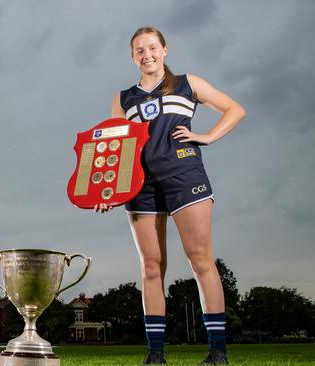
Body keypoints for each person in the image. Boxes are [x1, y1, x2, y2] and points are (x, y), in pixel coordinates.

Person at [97, 26, 246, 365]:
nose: (146, 54)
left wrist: (207, 136)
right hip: (140, 185)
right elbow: (116, 149)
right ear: (133, 57)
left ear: (165, 49)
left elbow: (235, 109)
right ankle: (155, 354)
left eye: (152, 47)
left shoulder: (187, 83)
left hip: (184, 174)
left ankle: (217, 350)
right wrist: (106, 190)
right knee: (151, 267)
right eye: (139, 50)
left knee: (200, 259)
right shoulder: (123, 99)